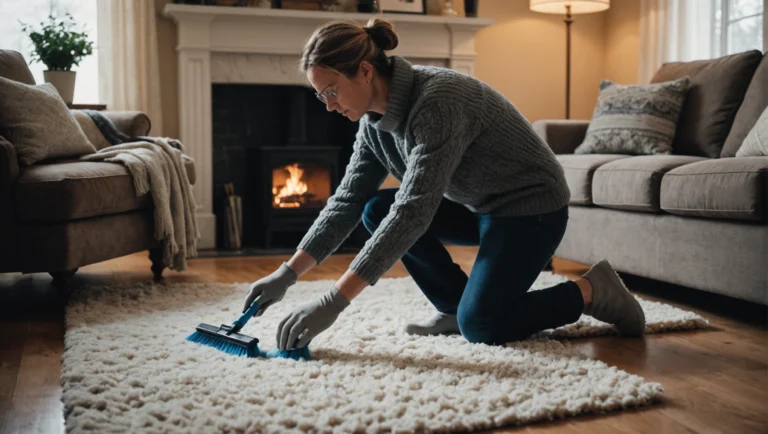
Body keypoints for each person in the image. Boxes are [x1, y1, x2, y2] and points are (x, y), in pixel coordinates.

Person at [243, 18, 646, 352]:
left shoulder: (438, 100)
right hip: (477, 207)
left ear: (364, 71)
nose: (329, 104)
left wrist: (335, 301)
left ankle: (592, 290)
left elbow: (414, 211)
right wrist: (286, 273)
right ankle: (454, 307)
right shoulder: (373, 126)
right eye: (320, 96)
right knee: (373, 209)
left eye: (331, 91)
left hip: (530, 211)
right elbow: (347, 200)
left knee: (483, 326)